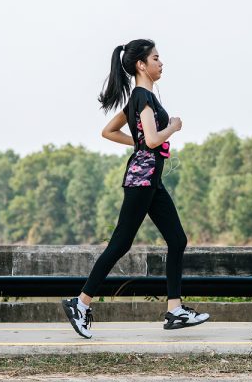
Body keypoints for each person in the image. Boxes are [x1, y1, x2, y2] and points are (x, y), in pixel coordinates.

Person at [61, 39, 210, 339]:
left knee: (177, 240)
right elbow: (153, 140)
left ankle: (175, 310)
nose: (161, 62)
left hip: (151, 179)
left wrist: (141, 141)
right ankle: (80, 303)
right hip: (142, 180)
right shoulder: (142, 97)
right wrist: (174, 127)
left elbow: (109, 131)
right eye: (156, 58)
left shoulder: (139, 99)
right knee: (120, 243)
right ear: (141, 64)